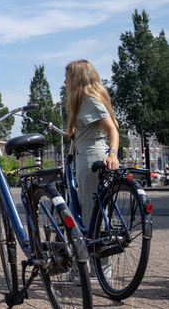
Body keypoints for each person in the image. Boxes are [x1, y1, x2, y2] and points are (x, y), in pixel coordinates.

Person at [65, 59, 118, 283]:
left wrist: (112, 153)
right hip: (83, 158)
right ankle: (88, 269)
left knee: (93, 218)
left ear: (77, 77)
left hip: (92, 159)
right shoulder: (81, 101)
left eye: (67, 76)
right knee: (89, 214)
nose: (64, 81)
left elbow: (112, 129)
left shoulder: (90, 100)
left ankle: (101, 273)